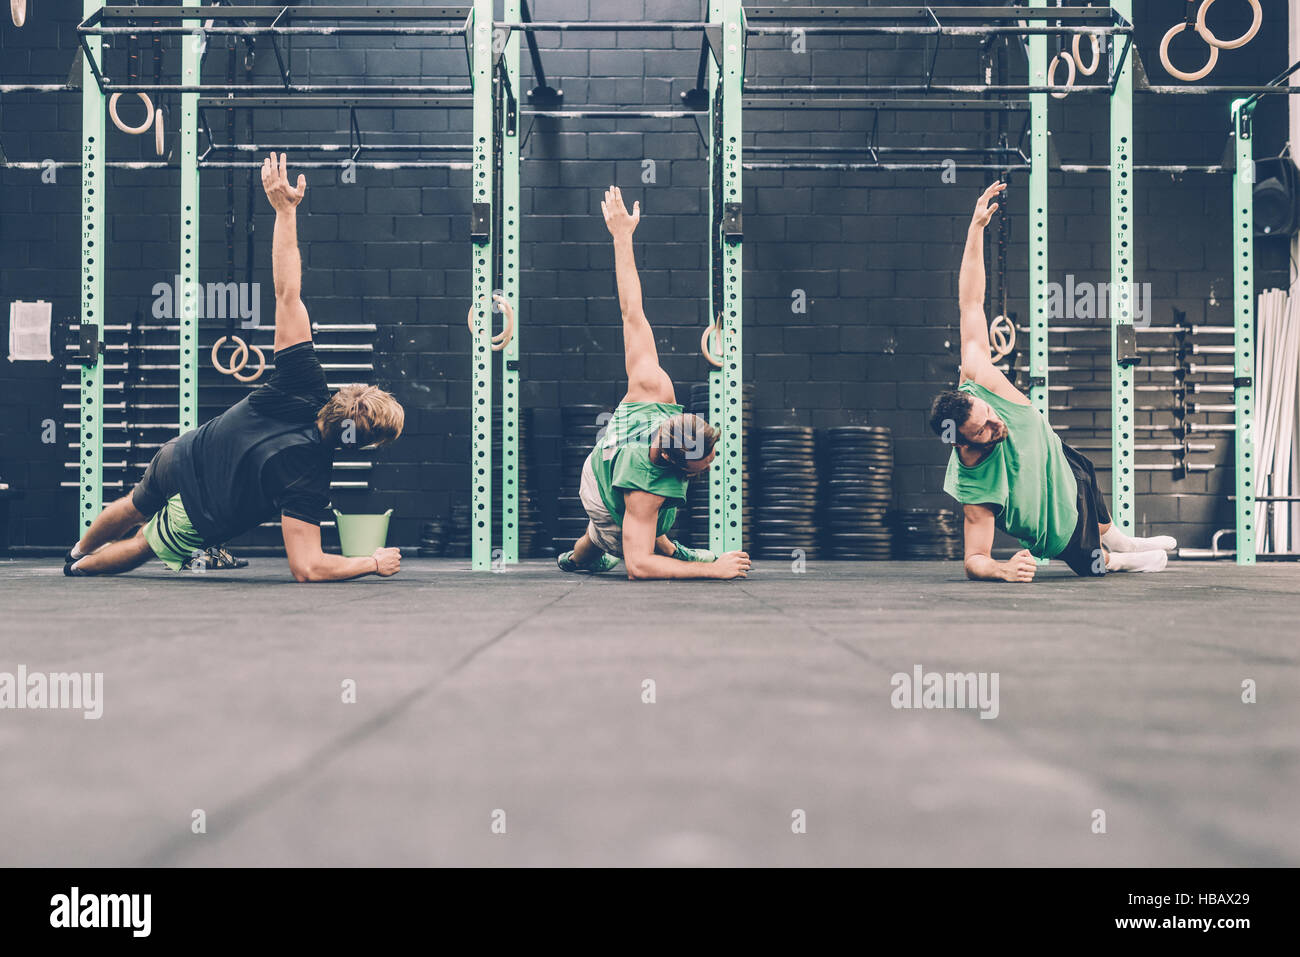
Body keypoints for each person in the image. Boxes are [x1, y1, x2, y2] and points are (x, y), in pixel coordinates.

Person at [65, 154, 405, 583]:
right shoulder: (311, 475)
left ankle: (75, 551)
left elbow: (287, 293)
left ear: (347, 394)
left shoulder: (302, 380)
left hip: (182, 455)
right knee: (139, 545)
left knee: (135, 503)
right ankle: (77, 569)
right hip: (200, 511)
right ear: (358, 444)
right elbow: (308, 567)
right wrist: (373, 562)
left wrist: (285, 212)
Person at [928, 181, 1176, 583]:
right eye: (984, 430)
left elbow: (970, 301)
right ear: (961, 442)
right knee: (1096, 565)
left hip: (1056, 457)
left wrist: (975, 230)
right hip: (1056, 523)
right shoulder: (973, 486)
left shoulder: (976, 374)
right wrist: (1001, 569)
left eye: (989, 414)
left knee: (1087, 473)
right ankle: (1126, 559)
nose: (996, 425)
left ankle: (1124, 541)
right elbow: (974, 557)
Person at [557, 186, 751, 580]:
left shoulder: (653, 390)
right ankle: (589, 555)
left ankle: (583, 555)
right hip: (598, 485)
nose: (713, 460)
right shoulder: (648, 490)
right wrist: (714, 571)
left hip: (619, 454)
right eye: (705, 459)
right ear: (673, 463)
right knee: (615, 536)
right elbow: (638, 567)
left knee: (633, 528)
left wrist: (622, 237)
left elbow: (632, 313)